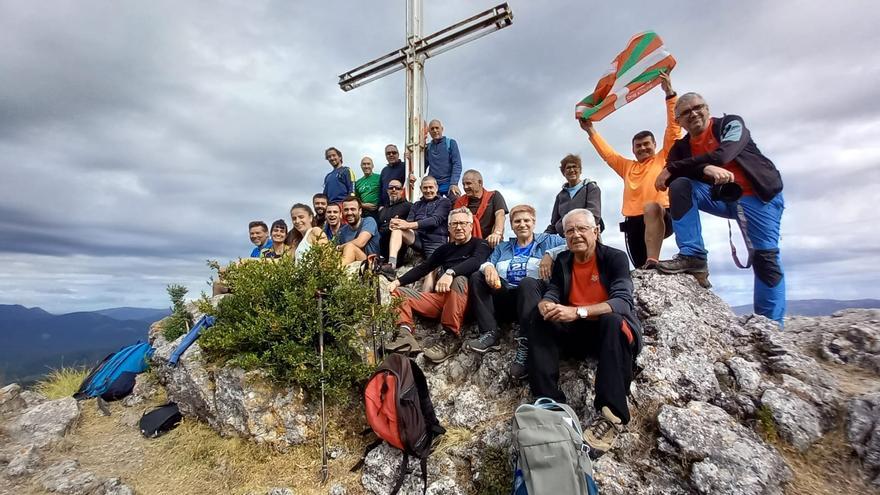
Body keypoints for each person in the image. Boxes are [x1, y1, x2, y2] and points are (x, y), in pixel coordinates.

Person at [654, 92, 786, 324]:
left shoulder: (730, 124)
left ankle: (770, 326)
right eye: (686, 112)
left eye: (698, 107)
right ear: (679, 121)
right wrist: (704, 169)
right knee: (680, 185)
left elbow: (724, 154)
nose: (694, 114)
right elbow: (669, 176)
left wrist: (687, 167)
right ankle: (693, 255)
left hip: (758, 197)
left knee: (765, 258)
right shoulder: (681, 148)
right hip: (723, 199)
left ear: (707, 107)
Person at [528, 208, 642, 456]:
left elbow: (623, 301)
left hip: (609, 333)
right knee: (538, 317)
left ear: (596, 231)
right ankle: (549, 402)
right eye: (570, 231)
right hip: (578, 334)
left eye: (581, 229)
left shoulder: (614, 258)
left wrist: (578, 312)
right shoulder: (564, 261)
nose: (576, 235)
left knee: (613, 320)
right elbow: (555, 290)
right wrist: (546, 302)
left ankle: (612, 416)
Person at [580, 72, 680, 268]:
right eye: (638, 146)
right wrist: (590, 130)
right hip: (633, 222)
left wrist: (670, 94)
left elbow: (673, 130)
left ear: (654, 144)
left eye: (646, 144)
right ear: (633, 149)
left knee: (653, 224)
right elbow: (608, 155)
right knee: (641, 268)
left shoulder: (664, 157)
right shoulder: (628, 167)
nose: (643, 148)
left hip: (661, 214)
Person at [465, 205, 566, 380]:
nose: (522, 224)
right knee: (477, 276)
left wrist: (550, 254)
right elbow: (488, 262)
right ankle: (489, 333)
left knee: (527, 282)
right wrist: (489, 267)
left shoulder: (549, 241)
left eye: (526, 220)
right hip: (508, 298)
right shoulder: (504, 247)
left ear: (534, 223)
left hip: (534, 300)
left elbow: (572, 244)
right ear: (512, 225)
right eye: (517, 221)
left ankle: (526, 344)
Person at [387, 207, 491, 363]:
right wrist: (398, 281)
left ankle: (449, 337)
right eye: (454, 224)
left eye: (463, 223)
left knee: (460, 279)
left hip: (467, 301)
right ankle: (405, 334)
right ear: (448, 227)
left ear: (471, 226)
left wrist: (450, 273)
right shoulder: (445, 249)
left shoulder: (481, 244)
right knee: (399, 292)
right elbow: (424, 268)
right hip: (442, 300)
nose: (459, 227)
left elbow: (476, 262)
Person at [383, 176, 451, 275]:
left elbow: (435, 220)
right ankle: (391, 265)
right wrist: (397, 223)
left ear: (436, 188)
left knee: (434, 272)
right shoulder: (416, 205)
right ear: (421, 189)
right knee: (398, 229)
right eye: (425, 188)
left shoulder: (444, 202)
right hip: (418, 240)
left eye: (431, 187)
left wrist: (408, 224)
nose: (428, 190)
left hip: (435, 242)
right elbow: (408, 222)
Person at [544, 154, 603, 236]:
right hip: (565, 238)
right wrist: (540, 238)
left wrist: (575, 229)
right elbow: (554, 224)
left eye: (575, 167)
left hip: (586, 235)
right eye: (568, 168)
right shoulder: (560, 196)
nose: (572, 170)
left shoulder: (591, 188)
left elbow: (594, 215)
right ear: (563, 173)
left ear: (580, 170)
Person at [454, 169, 508, 248]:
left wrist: (497, 233)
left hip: (490, 243)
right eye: (463, 184)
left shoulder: (494, 196)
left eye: (469, 183)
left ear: (480, 183)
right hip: (466, 246)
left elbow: (500, 215)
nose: (465, 187)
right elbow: (454, 222)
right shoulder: (460, 202)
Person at [337, 196, 380, 265]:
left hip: (369, 264)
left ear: (360, 211)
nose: (349, 213)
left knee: (350, 247)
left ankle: (337, 272)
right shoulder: (342, 231)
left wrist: (339, 247)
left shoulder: (369, 221)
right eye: (346, 210)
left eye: (352, 209)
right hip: (350, 264)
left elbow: (360, 242)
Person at [425, 119, 462, 198]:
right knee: (432, 207)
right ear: (429, 131)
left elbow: (457, 164)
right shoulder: (428, 148)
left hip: (449, 183)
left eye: (437, 128)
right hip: (434, 185)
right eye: (432, 129)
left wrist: (454, 183)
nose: (435, 130)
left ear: (442, 129)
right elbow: (422, 166)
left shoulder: (451, 143)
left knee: (456, 202)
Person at [377, 179, 412, 261]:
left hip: (399, 253)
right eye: (391, 188)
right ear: (387, 191)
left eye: (397, 188)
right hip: (381, 252)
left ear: (402, 191)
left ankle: (392, 263)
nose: (394, 190)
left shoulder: (409, 206)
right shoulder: (382, 210)